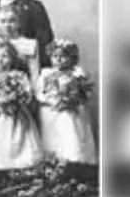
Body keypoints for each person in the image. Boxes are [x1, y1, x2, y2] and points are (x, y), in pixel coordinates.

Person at [0, 39, 44, 173]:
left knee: (18, 139)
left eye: (4, 56)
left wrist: (16, 99)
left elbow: (27, 93)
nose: (0, 60)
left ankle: (17, 166)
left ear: (12, 58)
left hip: (15, 114)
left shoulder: (19, 75)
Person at [36, 38, 97, 166]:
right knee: (52, 135)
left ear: (72, 58)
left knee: (71, 133)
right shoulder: (46, 73)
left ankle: (74, 160)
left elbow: (85, 92)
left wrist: (73, 100)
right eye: (54, 56)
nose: (58, 59)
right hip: (51, 109)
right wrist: (52, 100)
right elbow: (39, 93)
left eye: (63, 56)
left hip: (70, 109)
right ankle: (53, 161)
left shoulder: (77, 73)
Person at [0, 5, 41, 102]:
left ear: (19, 22)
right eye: (3, 21)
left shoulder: (29, 44)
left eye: (12, 21)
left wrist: (33, 99)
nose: (7, 25)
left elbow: (34, 76)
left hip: (19, 92)